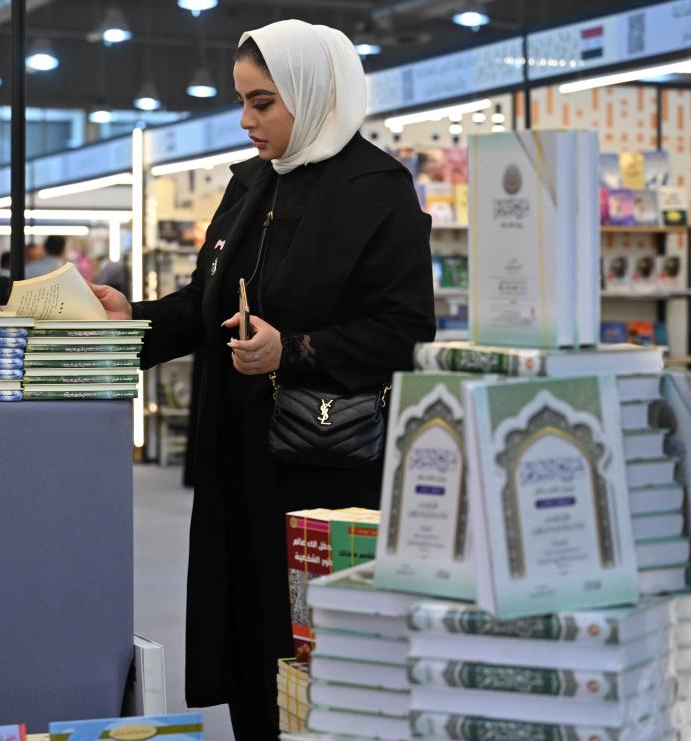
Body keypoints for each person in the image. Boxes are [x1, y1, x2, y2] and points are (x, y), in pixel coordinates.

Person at [90, 20, 435, 738]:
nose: (246, 121)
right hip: (236, 466)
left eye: (263, 102)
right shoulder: (251, 186)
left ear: (313, 97)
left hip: (326, 478)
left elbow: (405, 330)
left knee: (315, 656)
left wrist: (295, 350)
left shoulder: (379, 191)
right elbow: (205, 303)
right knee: (248, 644)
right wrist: (135, 320)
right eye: (243, 102)